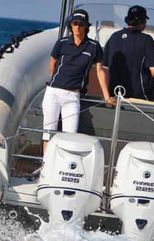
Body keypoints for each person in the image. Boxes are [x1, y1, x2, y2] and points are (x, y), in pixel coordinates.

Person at [42, 9, 114, 152]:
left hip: (73, 96)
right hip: (53, 93)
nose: (77, 27)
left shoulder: (93, 47)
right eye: (75, 23)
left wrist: (106, 96)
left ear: (86, 26)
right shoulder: (62, 43)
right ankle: (46, 167)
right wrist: (58, 82)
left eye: (81, 24)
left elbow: (100, 71)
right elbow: (52, 63)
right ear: (71, 25)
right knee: (48, 134)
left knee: (71, 136)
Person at [104, 5, 154, 100]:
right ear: (142, 22)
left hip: (113, 95)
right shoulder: (146, 40)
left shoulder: (114, 37)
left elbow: (104, 67)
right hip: (138, 98)